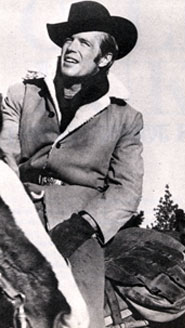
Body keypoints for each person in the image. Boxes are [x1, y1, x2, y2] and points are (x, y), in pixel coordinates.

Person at [0, 2, 143, 327]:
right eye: (69, 39)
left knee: (78, 315)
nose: (71, 48)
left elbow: (127, 189)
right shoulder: (23, 94)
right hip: (15, 214)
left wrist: (84, 225)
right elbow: (5, 152)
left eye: (84, 43)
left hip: (78, 225)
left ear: (104, 59)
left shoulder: (124, 117)